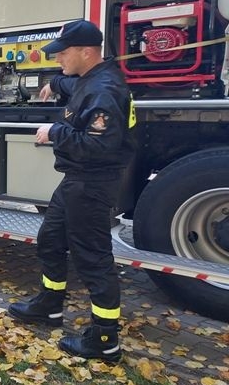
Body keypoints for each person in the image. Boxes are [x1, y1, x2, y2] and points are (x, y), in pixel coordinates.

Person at [7, 19, 135, 362]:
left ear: (86, 52)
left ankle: (104, 339)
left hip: (92, 182)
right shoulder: (90, 78)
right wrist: (54, 83)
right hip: (76, 180)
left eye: (63, 53)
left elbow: (101, 146)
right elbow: (71, 83)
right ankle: (49, 306)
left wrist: (54, 132)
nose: (57, 58)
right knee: (50, 239)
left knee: (92, 257)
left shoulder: (104, 91)